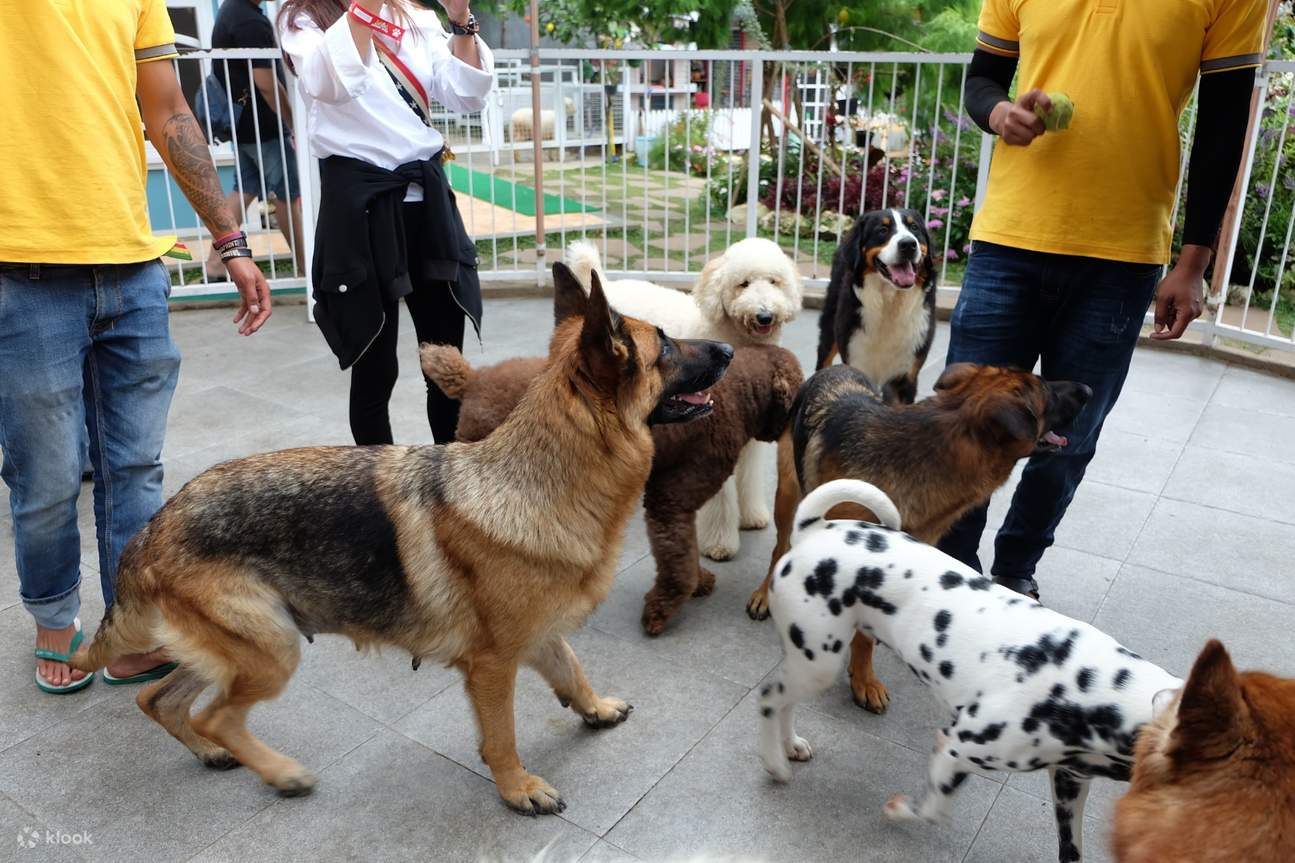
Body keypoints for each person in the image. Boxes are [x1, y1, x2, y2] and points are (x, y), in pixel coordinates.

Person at [937, 0, 1270, 599]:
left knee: (1067, 440)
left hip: (1122, 254)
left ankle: (1014, 573)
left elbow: (1225, 122)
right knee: (965, 416)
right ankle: (949, 573)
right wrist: (998, 113)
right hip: (1010, 238)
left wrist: (1193, 264)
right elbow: (982, 77)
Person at [0, 0, 272, 693]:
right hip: (18, 270)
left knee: (136, 468)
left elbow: (169, 110)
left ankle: (129, 631)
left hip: (131, 266)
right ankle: (56, 619)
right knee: (48, 475)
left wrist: (228, 236)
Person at [278, 0, 493, 445]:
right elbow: (330, 84)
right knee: (376, 366)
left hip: (426, 204)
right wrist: (363, 9)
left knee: (444, 360)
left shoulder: (414, 16)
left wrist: (459, 20)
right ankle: (376, 498)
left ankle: (450, 487)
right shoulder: (303, 20)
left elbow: (466, 94)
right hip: (362, 207)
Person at [204, 0, 308, 280]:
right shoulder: (249, 21)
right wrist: (291, 121)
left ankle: (215, 265)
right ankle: (306, 266)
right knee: (288, 192)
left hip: (243, 124)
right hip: (263, 126)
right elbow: (265, 82)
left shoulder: (230, 10)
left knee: (246, 188)